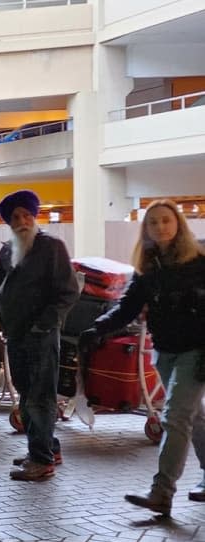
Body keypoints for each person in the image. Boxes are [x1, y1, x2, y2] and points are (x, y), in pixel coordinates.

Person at [80, 200, 205, 516]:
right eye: (153, 223)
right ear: (146, 230)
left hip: (196, 351)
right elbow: (127, 307)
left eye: (166, 220)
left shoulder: (199, 261)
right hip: (164, 352)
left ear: (178, 224)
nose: (160, 227)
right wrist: (98, 328)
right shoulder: (148, 269)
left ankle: (161, 492)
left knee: (175, 416)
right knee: (194, 417)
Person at [0, 189, 79, 482]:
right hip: (15, 335)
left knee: (39, 398)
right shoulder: (6, 250)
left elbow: (68, 292)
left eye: (27, 215)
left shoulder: (51, 247)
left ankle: (41, 462)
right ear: (9, 222)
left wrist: (44, 325)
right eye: (15, 217)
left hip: (41, 337)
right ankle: (47, 448)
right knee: (27, 393)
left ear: (34, 216)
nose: (22, 221)